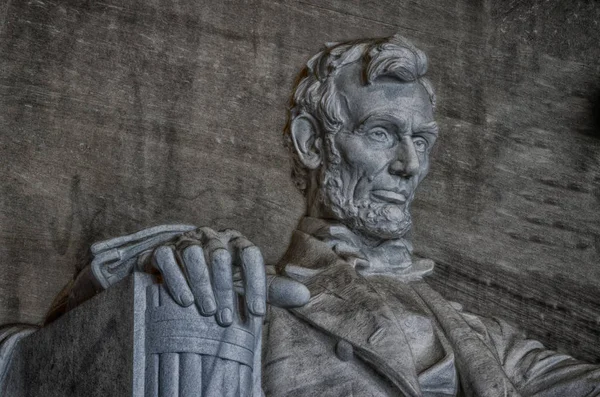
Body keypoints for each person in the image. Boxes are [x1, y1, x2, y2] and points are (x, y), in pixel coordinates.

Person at [2, 34, 600, 397]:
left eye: (424, 139)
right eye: (383, 133)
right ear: (313, 141)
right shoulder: (235, 288)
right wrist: (127, 281)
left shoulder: (488, 340)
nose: (410, 164)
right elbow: (14, 367)